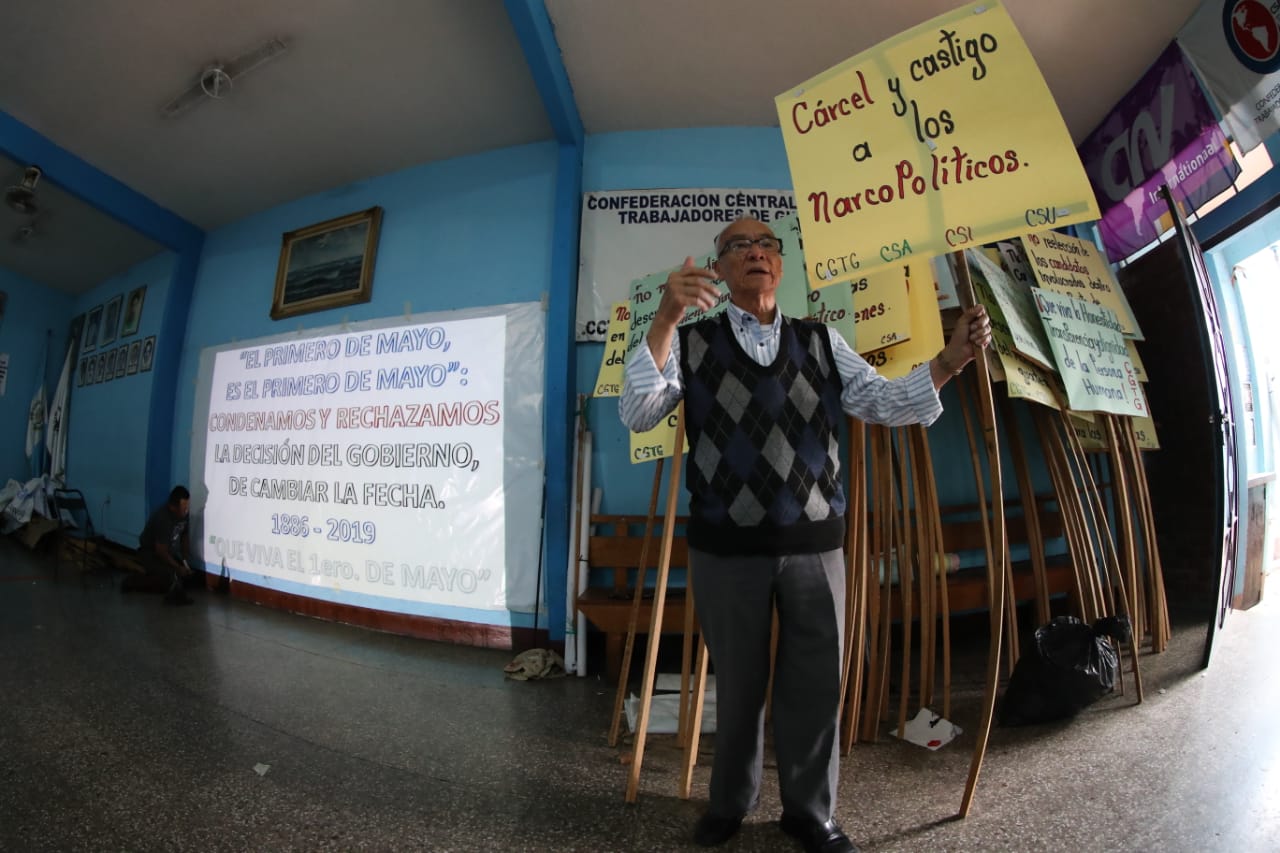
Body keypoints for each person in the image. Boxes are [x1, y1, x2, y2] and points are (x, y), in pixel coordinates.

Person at [619, 218, 991, 853]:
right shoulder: (692, 342)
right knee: (737, 683)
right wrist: (663, 319)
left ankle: (810, 813)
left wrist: (951, 361)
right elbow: (638, 411)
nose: (755, 254)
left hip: (817, 546)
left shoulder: (822, 340)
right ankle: (730, 803)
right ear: (720, 266)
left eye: (766, 245)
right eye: (739, 247)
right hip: (726, 549)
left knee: (817, 683)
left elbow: (882, 400)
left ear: (782, 265)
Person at [122, 485, 196, 605]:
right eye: (184, 507)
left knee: (189, 579)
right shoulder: (163, 518)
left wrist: (185, 560)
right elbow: (160, 551)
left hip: (167, 552)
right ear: (173, 507)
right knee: (169, 579)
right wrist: (177, 567)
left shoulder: (183, 516)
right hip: (150, 553)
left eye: (187, 506)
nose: (186, 510)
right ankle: (133, 581)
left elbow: (184, 535)